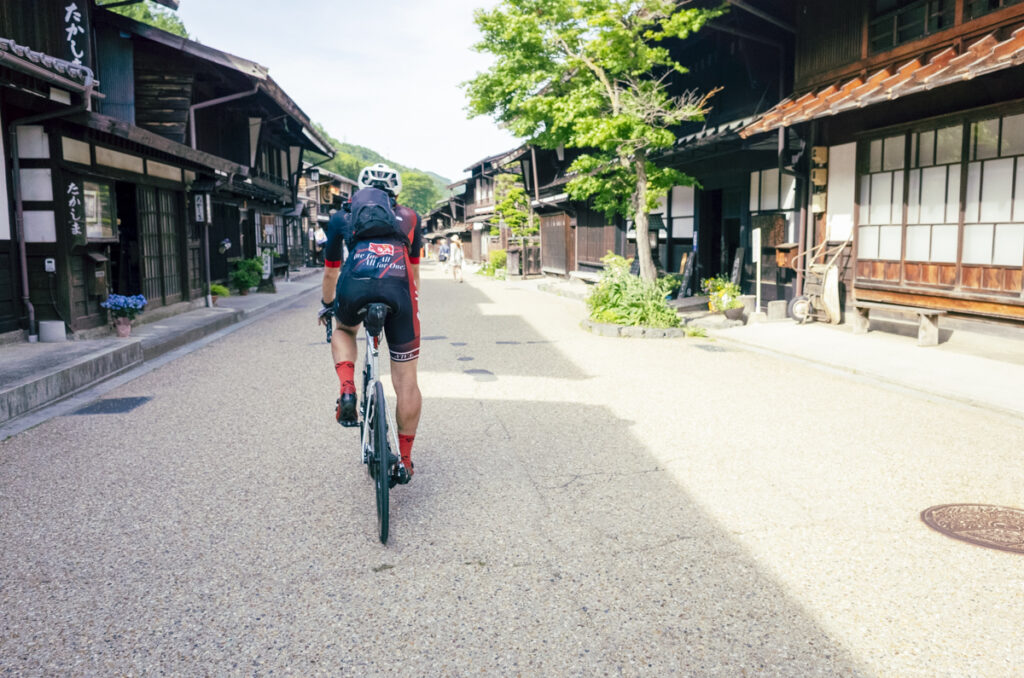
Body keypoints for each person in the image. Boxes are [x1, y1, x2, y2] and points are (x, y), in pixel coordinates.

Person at [317, 163, 423, 483]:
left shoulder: (341, 217)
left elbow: (331, 272)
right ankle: (404, 461)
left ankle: (348, 388)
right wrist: (411, 305)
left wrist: (326, 306)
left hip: (355, 284)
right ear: (396, 193)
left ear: (359, 192)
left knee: (343, 329)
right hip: (399, 288)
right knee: (406, 380)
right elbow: (415, 272)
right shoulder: (412, 218)